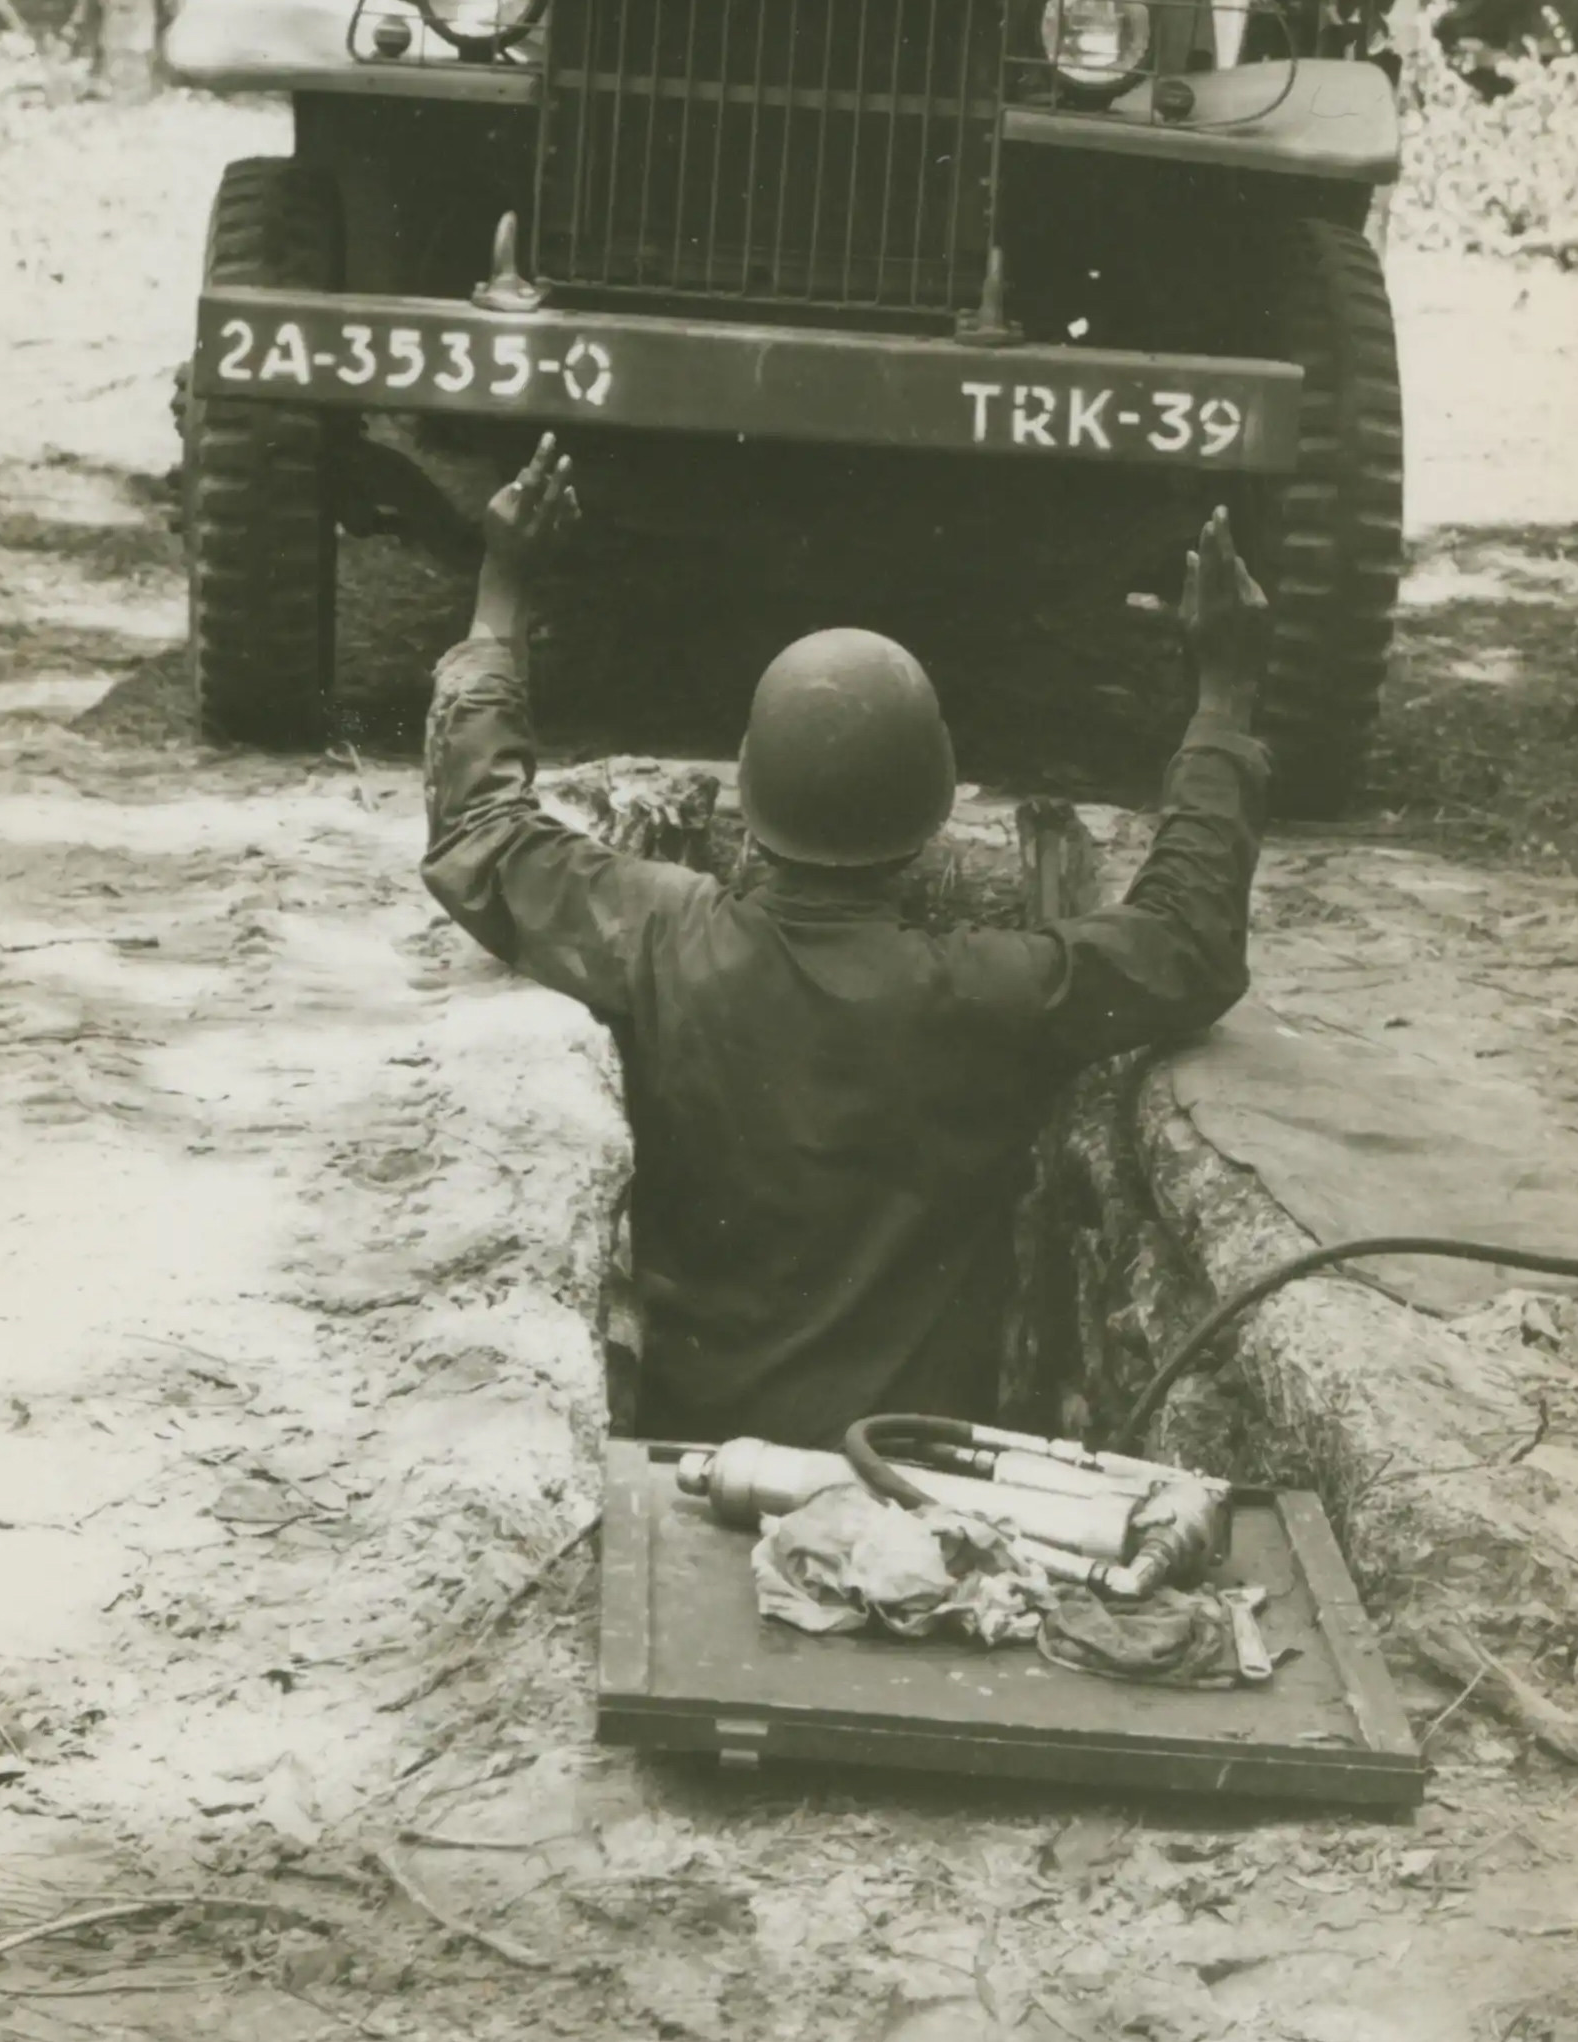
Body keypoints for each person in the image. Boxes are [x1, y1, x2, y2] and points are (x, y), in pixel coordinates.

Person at [420, 439, 1280, 1448]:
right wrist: (1222, 695)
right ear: (928, 814)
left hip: (697, 1451)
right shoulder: (992, 991)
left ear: (749, 786)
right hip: (912, 1470)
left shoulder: (660, 935)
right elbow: (1185, 937)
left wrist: (502, 593)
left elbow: (481, 829)